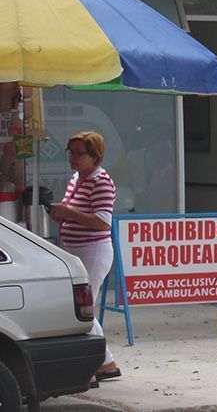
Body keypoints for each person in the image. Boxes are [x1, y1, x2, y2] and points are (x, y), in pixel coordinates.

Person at [49, 131, 121, 387]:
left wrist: (68, 212)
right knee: (80, 309)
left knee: (82, 310)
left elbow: (102, 222)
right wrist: (61, 214)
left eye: (79, 153)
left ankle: (94, 363)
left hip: (92, 250)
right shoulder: (76, 178)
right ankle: (104, 362)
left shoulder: (101, 182)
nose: (73, 158)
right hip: (75, 249)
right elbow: (75, 211)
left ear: (95, 156)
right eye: (71, 152)